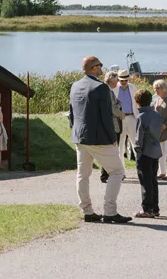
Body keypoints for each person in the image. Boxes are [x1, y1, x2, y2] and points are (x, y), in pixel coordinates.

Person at [68, 56, 131, 224]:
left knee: (83, 175)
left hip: (80, 137)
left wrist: (75, 130)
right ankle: (110, 211)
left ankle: (87, 211)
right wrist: (113, 138)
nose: (102, 68)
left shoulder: (75, 86)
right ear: (94, 68)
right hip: (100, 138)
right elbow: (106, 116)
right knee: (117, 172)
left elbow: (72, 113)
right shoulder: (101, 88)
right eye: (100, 65)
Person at [133, 89, 162, 219]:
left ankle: (147, 208)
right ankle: (155, 208)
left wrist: (137, 154)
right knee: (153, 180)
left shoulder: (141, 117)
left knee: (145, 181)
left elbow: (139, 139)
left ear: (137, 102)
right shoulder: (156, 115)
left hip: (145, 152)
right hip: (155, 150)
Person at [100, 71, 125, 183]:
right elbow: (113, 108)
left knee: (110, 150)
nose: (118, 83)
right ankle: (108, 174)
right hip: (112, 124)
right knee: (112, 150)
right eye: (117, 81)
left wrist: (118, 105)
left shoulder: (108, 90)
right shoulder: (108, 91)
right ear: (112, 81)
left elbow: (117, 103)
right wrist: (121, 114)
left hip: (112, 124)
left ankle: (106, 174)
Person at [115, 70, 137, 161]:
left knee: (136, 143)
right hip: (119, 118)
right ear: (118, 80)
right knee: (120, 145)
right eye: (121, 80)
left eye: (126, 80)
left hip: (131, 116)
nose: (124, 82)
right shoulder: (114, 88)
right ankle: (121, 172)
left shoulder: (132, 87)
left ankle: (140, 168)